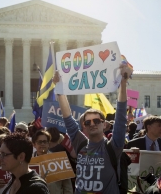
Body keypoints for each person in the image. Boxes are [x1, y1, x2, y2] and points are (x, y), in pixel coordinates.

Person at [52, 64, 132, 193]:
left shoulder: (113, 146)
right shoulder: (80, 143)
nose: (92, 124)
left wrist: (123, 84)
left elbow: (121, 118)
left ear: (104, 124)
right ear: (83, 126)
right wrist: (59, 88)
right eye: (87, 122)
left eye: (96, 121)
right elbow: (67, 117)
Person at [32, 130, 73, 194]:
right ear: (34, 144)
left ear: (49, 144)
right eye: (40, 142)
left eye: (45, 142)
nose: (42, 144)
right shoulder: (28, 162)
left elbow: (67, 186)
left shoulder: (59, 159)